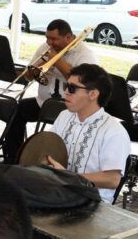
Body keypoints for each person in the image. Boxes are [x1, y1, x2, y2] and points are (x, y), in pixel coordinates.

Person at [3, 19, 97, 163]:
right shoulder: (45, 48)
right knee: (17, 109)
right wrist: (41, 64)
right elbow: (28, 76)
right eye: (47, 38)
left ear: (68, 37)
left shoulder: (84, 54)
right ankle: (12, 158)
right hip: (43, 103)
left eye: (54, 39)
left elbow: (83, 83)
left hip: (70, 109)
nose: (49, 43)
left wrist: (57, 61)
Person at [48, 64, 131, 204]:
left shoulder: (114, 132)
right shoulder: (64, 115)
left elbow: (112, 180)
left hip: (92, 201)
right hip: (60, 191)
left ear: (93, 94)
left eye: (72, 88)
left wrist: (70, 177)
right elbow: (50, 149)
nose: (66, 92)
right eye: (66, 86)